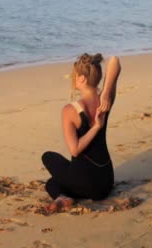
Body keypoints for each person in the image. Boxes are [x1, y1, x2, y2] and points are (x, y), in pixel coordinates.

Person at [41, 53, 121, 213]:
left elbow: (75, 150)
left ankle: (63, 197)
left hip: (87, 184)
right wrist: (105, 92)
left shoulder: (70, 110)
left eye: (75, 75)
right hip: (106, 183)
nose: (73, 78)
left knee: (48, 157)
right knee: (52, 183)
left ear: (82, 79)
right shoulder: (105, 102)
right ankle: (63, 197)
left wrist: (96, 127)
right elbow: (115, 61)